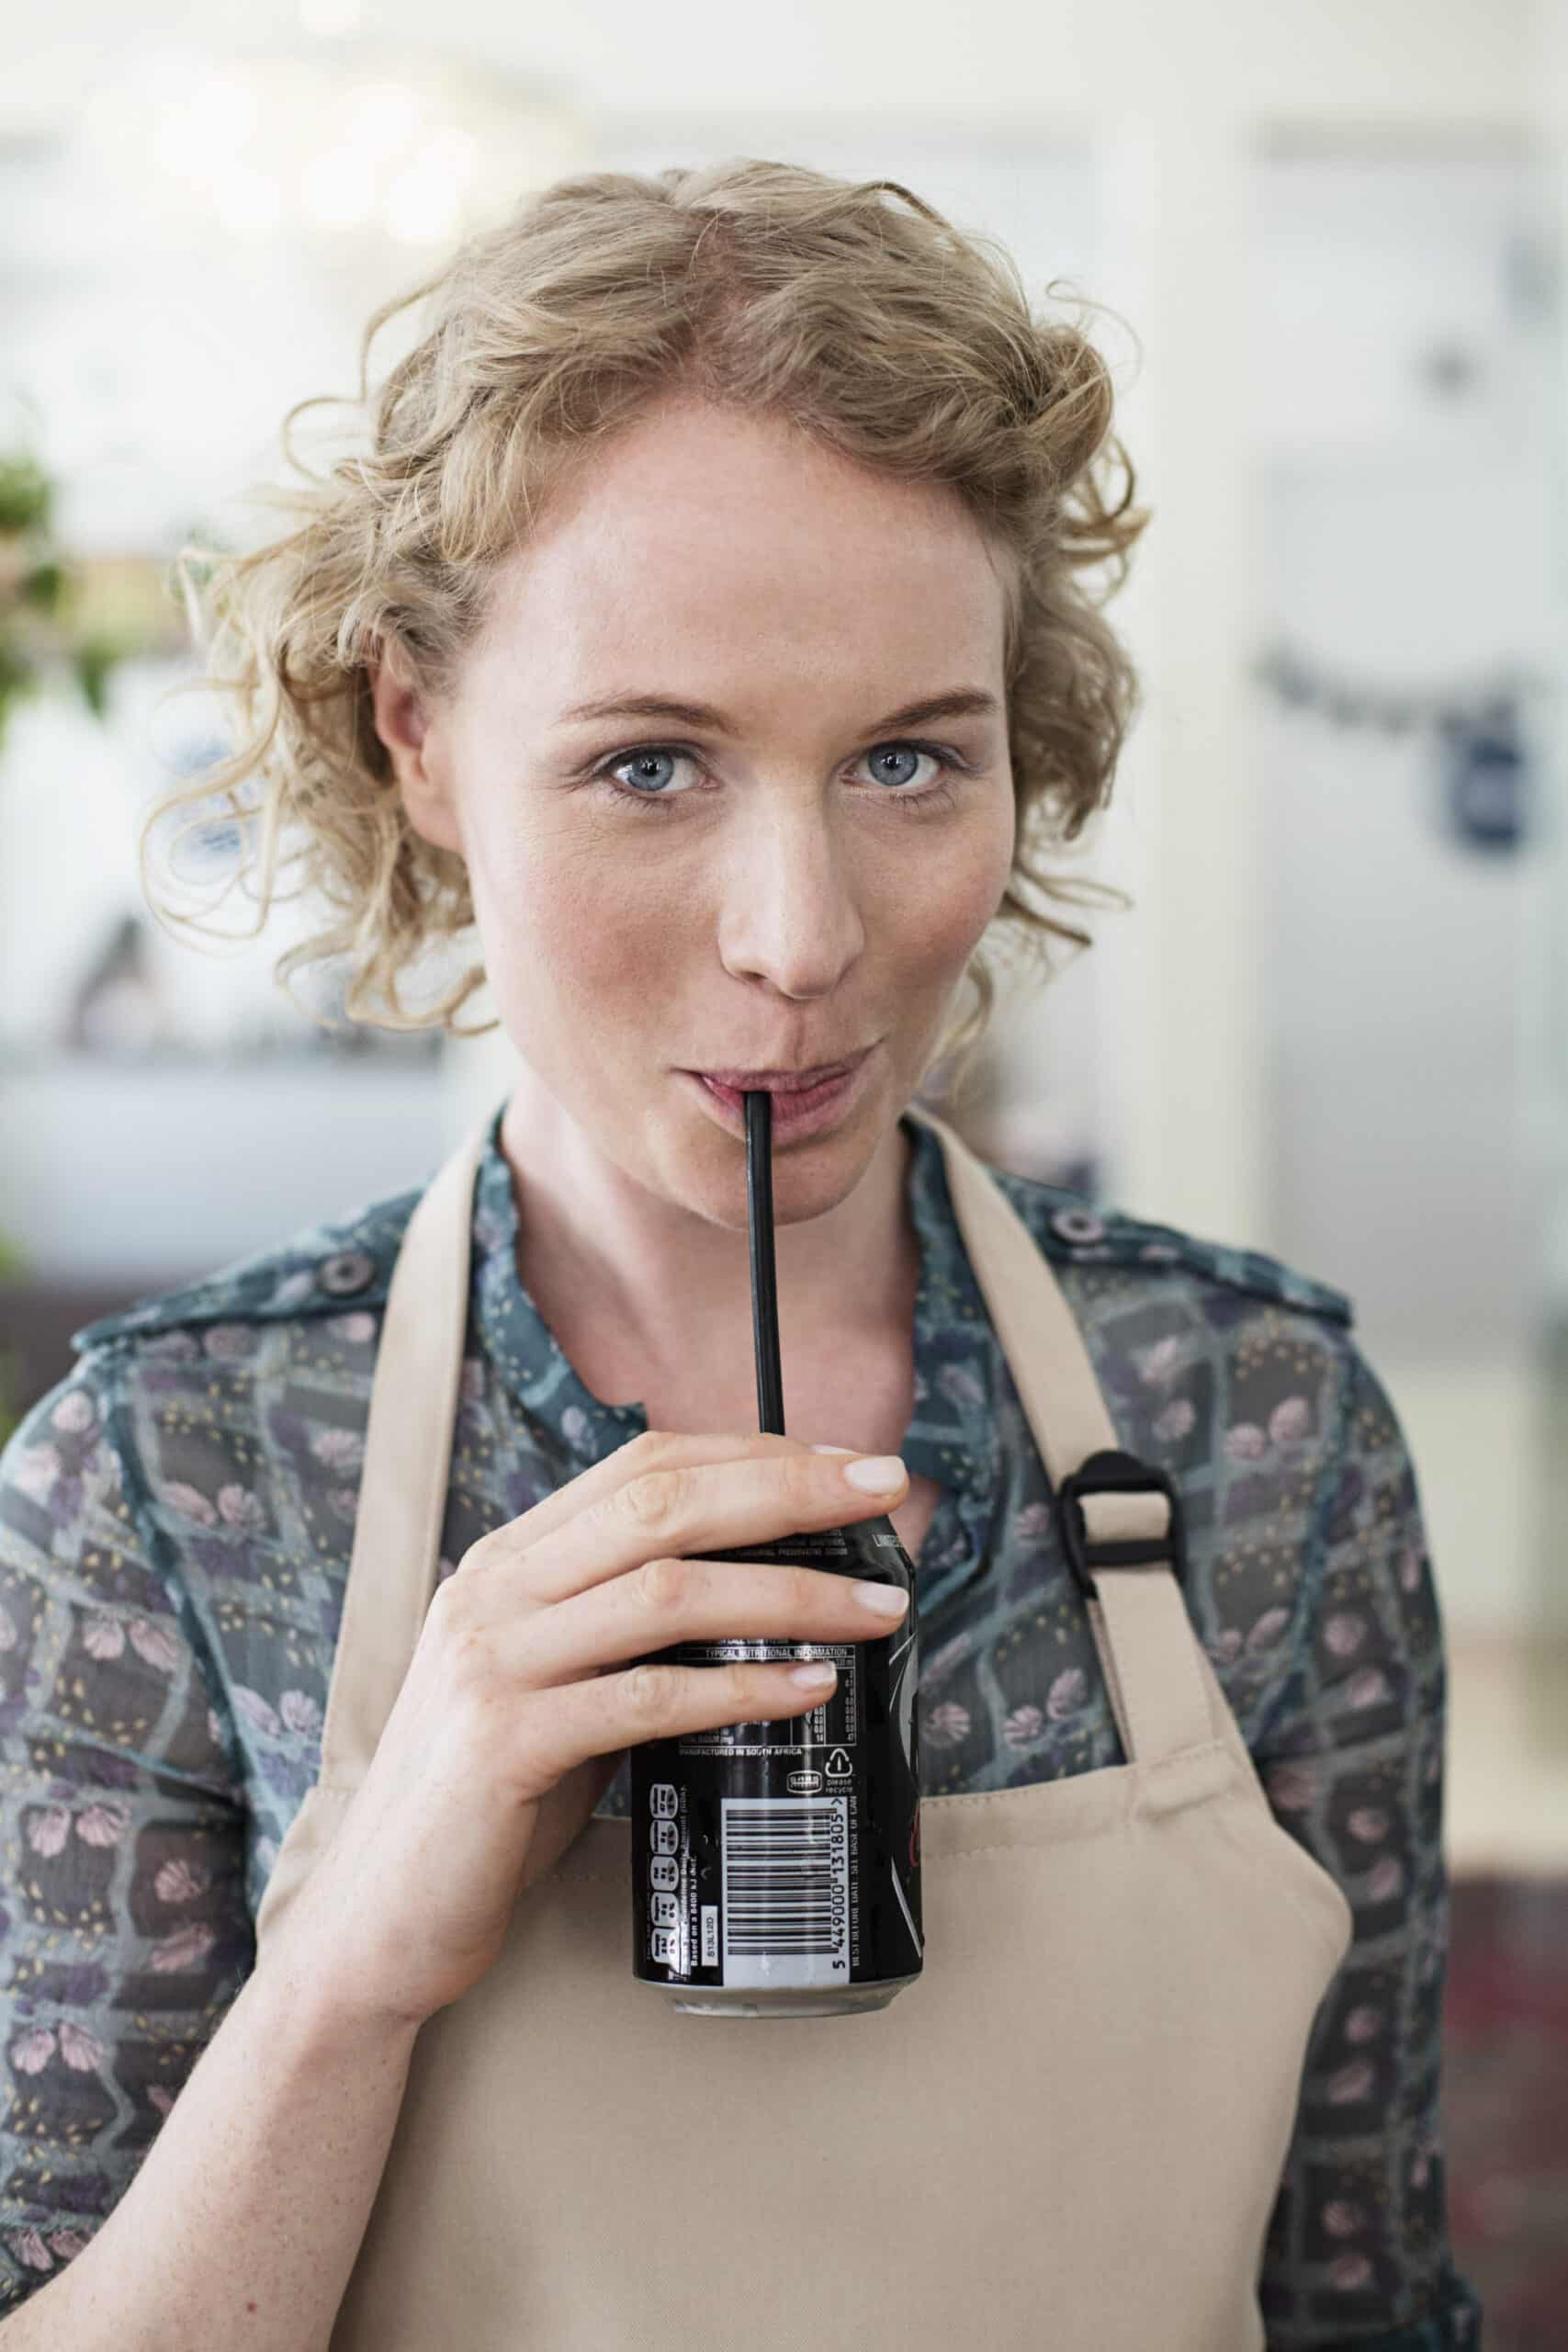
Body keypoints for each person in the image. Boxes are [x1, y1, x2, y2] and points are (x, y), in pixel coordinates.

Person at [0, 159, 1481, 2349]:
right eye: (648, 763)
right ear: (418, 736)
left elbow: (1357, 2296)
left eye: (905, 757)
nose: (801, 944)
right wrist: (354, 1962)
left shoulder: (1258, 1426)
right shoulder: (160, 1474)